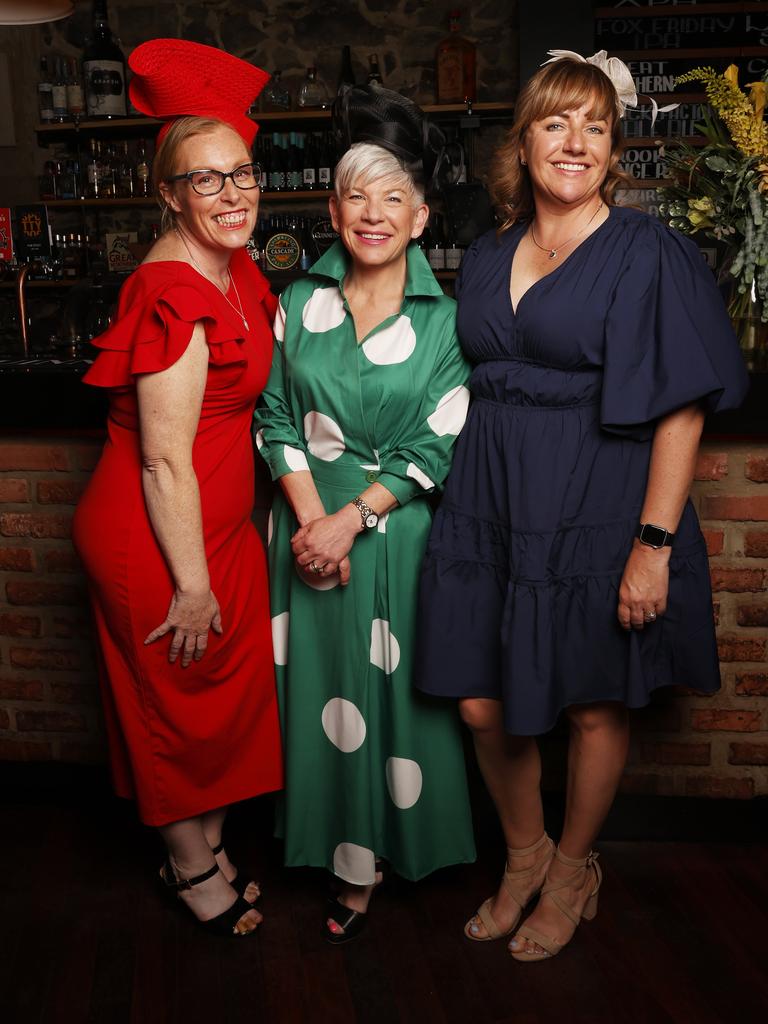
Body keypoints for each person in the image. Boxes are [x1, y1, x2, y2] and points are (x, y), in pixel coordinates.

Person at [416, 51, 749, 961]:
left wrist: (654, 542)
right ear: (522, 143)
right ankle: (523, 857)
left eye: (595, 128)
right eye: (556, 124)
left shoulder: (648, 252)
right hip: (489, 497)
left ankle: (571, 868)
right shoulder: (486, 253)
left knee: (594, 703)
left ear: (612, 150)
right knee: (481, 701)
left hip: (599, 495)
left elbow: (682, 401)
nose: (575, 143)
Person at [254, 85, 476, 943]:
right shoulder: (294, 304)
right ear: (333, 208)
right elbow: (274, 418)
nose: (372, 214)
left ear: (420, 218)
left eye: (393, 199)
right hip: (306, 527)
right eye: (356, 196)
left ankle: (394, 850)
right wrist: (313, 520)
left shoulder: (449, 323)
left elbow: (439, 440)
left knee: (393, 700)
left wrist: (352, 523)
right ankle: (343, 860)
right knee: (325, 698)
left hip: (393, 535)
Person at [72, 39, 282, 938]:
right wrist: (190, 581)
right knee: (178, 702)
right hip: (159, 538)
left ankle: (209, 848)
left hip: (219, 529)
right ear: (169, 192)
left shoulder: (233, 268)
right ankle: (190, 866)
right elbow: (164, 461)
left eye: (242, 175)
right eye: (207, 181)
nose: (233, 196)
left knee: (222, 704)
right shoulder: (171, 294)